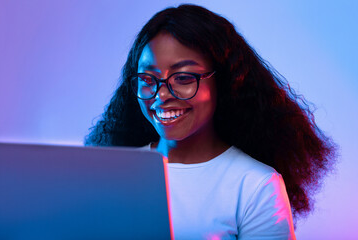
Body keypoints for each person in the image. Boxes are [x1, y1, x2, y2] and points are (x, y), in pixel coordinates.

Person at [85, 4, 337, 239]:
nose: (161, 95)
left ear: (224, 82)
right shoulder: (112, 173)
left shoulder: (255, 186)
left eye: (183, 78)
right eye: (148, 79)